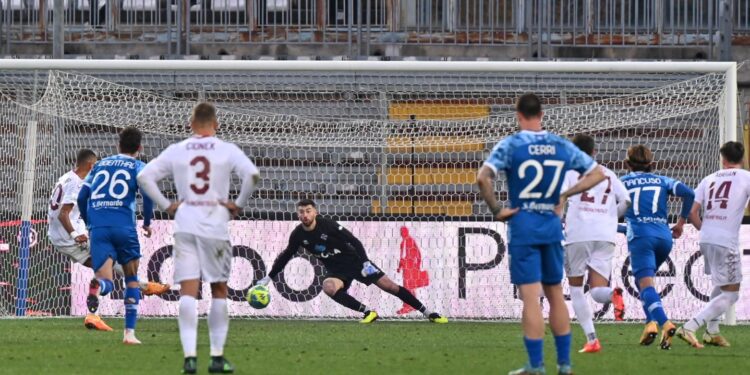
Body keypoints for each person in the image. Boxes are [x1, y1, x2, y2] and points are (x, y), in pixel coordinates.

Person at [476, 93, 605, 375]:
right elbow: (597, 175)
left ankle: (535, 366)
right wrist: (565, 193)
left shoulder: (511, 144)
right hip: (550, 225)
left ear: (518, 114)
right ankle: (565, 365)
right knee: (556, 293)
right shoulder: (560, 144)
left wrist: (497, 209)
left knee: (531, 297)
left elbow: (482, 177)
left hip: (523, 225)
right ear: (542, 114)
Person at [137, 102, 260, 374]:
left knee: (188, 292)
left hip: (185, 222)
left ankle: (190, 358)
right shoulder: (226, 149)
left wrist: (167, 205)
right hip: (215, 222)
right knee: (218, 290)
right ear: (216, 124)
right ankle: (217, 357)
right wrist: (237, 204)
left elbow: (144, 177)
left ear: (191, 124)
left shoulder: (177, 150)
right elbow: (252, 174)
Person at [256, 199, 448, 324]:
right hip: (337, 270)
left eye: (308, 211)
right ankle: (368, 312)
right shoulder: (298, 234)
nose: (305, 215)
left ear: (315, 212)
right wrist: (268, 278)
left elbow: (354, 241)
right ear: (298, 215)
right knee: (329, 287)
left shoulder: (328, 225)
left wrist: (365, 262)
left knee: (389, 286)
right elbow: (285, 256)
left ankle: (428, 312)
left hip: (355, 261)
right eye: (301, 212)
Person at [49, 149, 168, 332]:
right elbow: (64, 214)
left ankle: (143, 286)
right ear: (90, 165)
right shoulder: (77, 183)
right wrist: (75, 234)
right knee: (107, 263)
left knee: (108, 264)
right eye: (95, 165)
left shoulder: (66, 177)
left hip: (61, 236)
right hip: (70, 236)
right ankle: (96, 313)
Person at [78, 128, 160, 344]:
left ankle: (99, 287)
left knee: (106, 280)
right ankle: (129, 334)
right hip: (124, 227)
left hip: (99, 229)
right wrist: (148, 222)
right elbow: (149, 194)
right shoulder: (139, 167)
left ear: (118, 145)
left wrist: (89, 224)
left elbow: (81, 197)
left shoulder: (99, 165)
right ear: (139, 148)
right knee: (131, 280)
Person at [620, 144, 695, 350]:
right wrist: (680, 222)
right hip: (664, 237)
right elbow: (689, 193)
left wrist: (620, 227)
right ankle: (649, 324)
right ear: (652, 164)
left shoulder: (622, 182)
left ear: (626, 164)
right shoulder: (663, 180)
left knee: (646, 285)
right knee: (644, 284)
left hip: (641, 237)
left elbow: (613, 213)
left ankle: (664, 323)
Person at [560, 134, 629, 353]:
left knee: (577, 289)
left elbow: (559, 199)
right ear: (594, 152)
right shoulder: (607, 173)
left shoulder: (569, 172)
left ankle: (592, 339)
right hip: (605, 235)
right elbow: (626, 200)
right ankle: (613, 294)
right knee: (598, 288)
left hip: (578, 234)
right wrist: (610, 218)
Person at [676, 141, 749, 348]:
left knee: (720, 284)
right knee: (732, 293)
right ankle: (690, 326)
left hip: (706, 237)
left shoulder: (708, 179)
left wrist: (706, 230)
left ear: (722, 159)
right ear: (742, 159)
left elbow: (692, 211)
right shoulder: (746, 177)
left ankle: (713, 331)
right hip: (726, 240)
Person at [396, 226, 429, 315]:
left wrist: (417, 265)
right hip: (405, 267)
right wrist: (400, 267)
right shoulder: (403, 242)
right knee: (407, 286)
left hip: (410, 266)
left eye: (403, 231)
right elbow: (402, 256)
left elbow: (418, 253)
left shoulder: (410, 240)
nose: (401, 233)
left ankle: (409, 306)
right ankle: (411, 305)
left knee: (409, 287)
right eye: (401, 231)